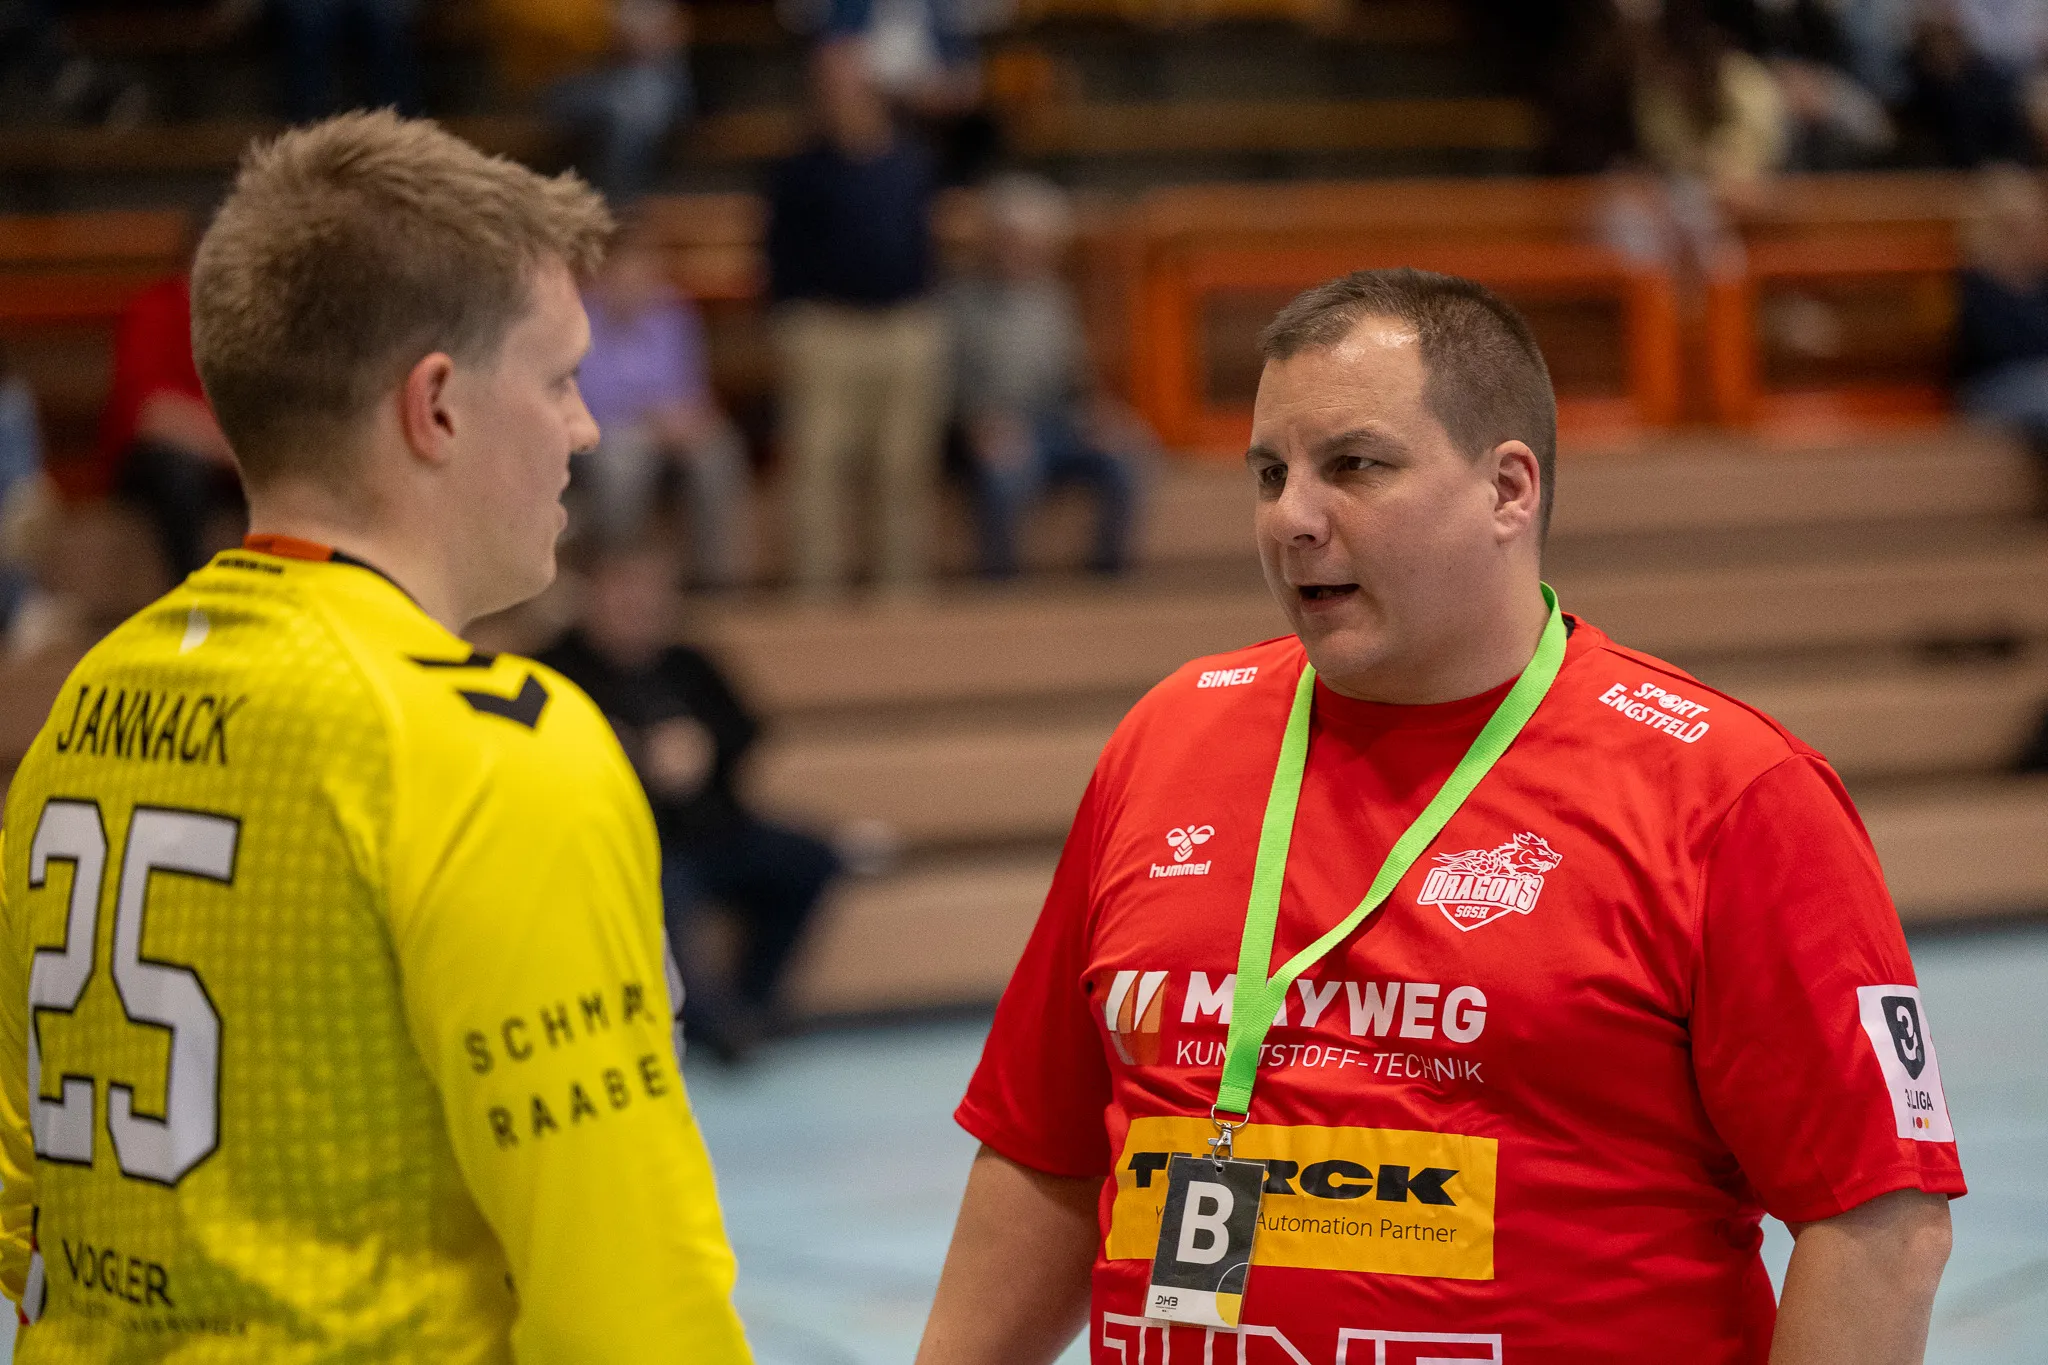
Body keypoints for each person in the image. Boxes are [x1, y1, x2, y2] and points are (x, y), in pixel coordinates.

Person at [917, 268, 1961, 1365]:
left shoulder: (1726, 790)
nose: (1292, 518)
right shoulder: (1169, 737)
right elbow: (1043, 1151)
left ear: (1508, 489)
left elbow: (1878, 1227)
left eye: (1353, 466)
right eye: (1269, 474)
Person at [0, 111, 752, 1361]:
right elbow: (632, 1303)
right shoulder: (488, 749)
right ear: (438, 407)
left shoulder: (90, 700)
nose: (587, 429)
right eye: (559, 378)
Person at [540, 540, 841, 1060]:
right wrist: (630, 759)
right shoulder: (555, 668)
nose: (636, 604)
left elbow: (746, 735)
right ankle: (707, 1023)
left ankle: (753, 1004)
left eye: (648, 592)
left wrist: (703, 750)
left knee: (811, 857)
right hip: (630, 843)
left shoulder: (691, 663)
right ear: (592, 594)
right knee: (661, 890)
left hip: (714, 831)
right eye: (622, 590)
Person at [767, 38, 946, 597]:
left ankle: (901, 590)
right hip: (827, 329)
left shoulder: (911, 162)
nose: (844, 96)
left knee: (904, 466)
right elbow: (776, 256)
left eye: (854, 84)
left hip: (904, 327)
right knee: (819, 463)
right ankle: (816, 591)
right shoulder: (799, 169)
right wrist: (790, 327)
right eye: (831, 85)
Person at [946, 173, 1146, 579]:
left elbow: (1074, 378)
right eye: (1010, 239)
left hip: (1053, 423)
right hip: (987, 430)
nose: (1019, 252)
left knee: (1127, 456)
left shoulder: (1053, 300)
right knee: (1007, 473)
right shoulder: (959, 303)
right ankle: (1000, 583)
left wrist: (1097, 413)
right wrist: (977, 424)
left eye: (1031, 241)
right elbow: (945, 386)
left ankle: (1108, 579)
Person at [575, 214, 754, 588]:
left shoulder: (674, 314)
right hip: (606, 430)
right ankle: (616, 581)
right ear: (604, 273)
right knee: (622, 462)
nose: (634, 279)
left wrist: (687, 420)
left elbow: (691, 388)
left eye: (643, 267)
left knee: (719, 452)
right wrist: (650, 415)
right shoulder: (579, 318)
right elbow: (585, 396)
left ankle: (714, 580)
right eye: (624, 269)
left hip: (669, 427)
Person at [99, 270, 246, 582]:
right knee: (178, 473)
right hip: (160, 465)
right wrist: (233, 449)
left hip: (233, 463)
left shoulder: (251, 319)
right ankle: (190, 593)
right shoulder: (155, 309)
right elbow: (151, 414)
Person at [487, 0, 692, 202]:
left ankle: (620, 210)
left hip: (626, 85)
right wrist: (609, 35)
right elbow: (543, 32)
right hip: (550, 88)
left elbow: (667, 36)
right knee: (635, 105)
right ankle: (617, 210)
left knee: (643, 92)